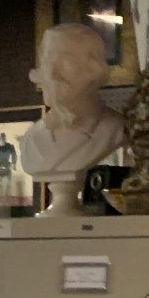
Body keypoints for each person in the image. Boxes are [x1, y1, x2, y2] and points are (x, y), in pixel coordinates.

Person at [19, 23, 125, 214]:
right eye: (47, 62)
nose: (51, 74)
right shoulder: (32, 138)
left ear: (94, 69)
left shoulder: (116, 129)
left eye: (64, 62)